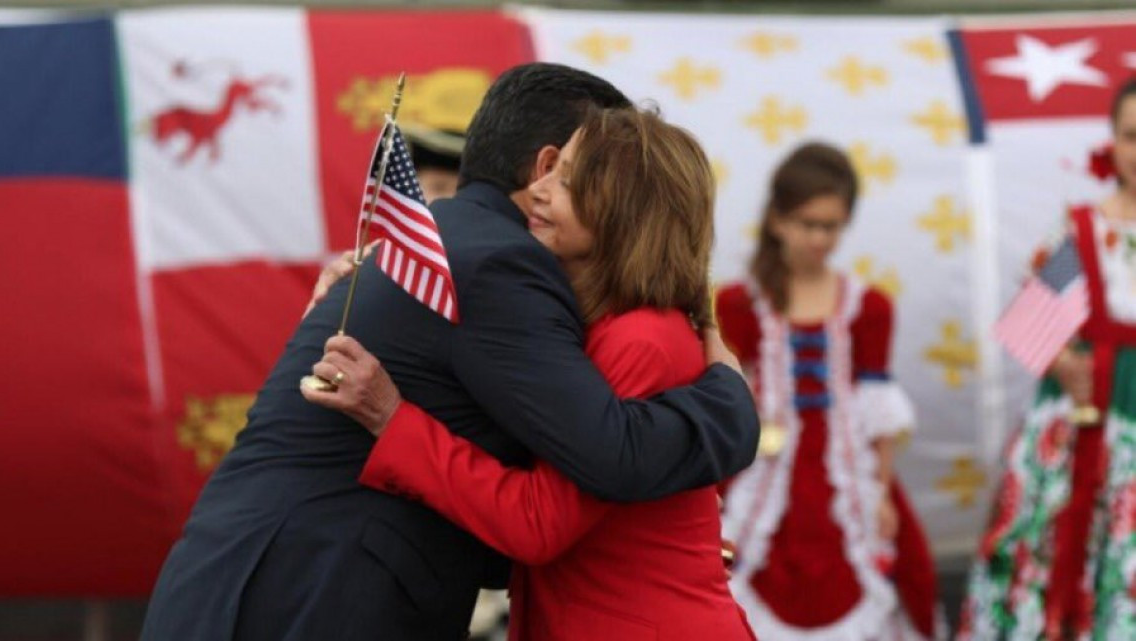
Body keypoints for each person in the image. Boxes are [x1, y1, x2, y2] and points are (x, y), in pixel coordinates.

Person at [139, 62, 759, 641]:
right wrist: (729, 402)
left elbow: (553, 499)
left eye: (576, 180)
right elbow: (609, 454)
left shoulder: (443, 248)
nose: (549, 192)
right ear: (544, 163)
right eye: (562, 173)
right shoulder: (497, 263)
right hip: (311, 593)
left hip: (250, 581)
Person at [308, 107, 756, 640]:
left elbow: (538, 524)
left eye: (565, 181)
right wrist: (377, 285)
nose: (537, 190)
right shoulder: (596, 323)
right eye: (548, 171)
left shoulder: (643, 337)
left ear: (624, 213)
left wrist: (392, 418)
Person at [715, 142, 937, 640]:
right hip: (762, 477)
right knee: (735, 575)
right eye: (806, 223)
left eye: (830, 226)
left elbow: (877, 409)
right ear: (777, 220)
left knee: (890, 575)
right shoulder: (738, 303)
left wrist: (881, 491)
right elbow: (723, 397)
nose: (818, 238)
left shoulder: (870, 307)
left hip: (845, 478)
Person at [960, 78, 1136, 640]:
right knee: (1052, 543)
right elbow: (1032, 323)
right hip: (1079, 423)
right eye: (1133, 136)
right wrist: (1065, 359)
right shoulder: (1085, 227)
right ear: (1113, 141)